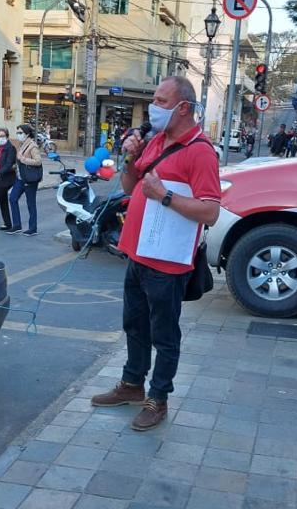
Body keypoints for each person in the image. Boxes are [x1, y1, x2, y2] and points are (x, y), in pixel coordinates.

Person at [91, 76, 220, 431]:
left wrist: (164, 195)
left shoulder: (201, 152)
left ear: (183, 108)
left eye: (161, 101)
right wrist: (130, 158)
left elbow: (211, 211)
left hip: (168, 261)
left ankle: (157, 399)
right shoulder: (156, 141)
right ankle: (132, 384)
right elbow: (131, 186)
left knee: (164, 333)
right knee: (134, 324)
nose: (153, 107)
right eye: (154, 99)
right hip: (137, 252)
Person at [8, 124, 43, 236]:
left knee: (30, 203)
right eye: (17, 133)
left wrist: (23, 159)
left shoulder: (32, 146)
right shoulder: (22, 145)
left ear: (27, 134)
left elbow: (38, 161)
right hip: (20, 178)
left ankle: (33, 228)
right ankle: (17, 225)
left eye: (20, 133)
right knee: (12, 198)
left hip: (30, 179)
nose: (18, 135)